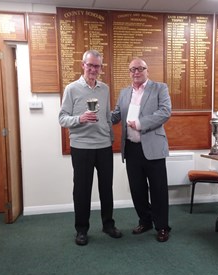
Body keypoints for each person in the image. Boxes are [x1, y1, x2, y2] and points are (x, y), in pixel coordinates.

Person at [59, 50, 122, 246]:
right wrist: (80, 118)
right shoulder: (71, 89)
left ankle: (108, 224)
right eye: (90, 65)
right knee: (82, 190)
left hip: (103, 146)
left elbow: (106, 117)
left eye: (97, 66)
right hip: (82, 147)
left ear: (101, 68)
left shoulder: (104, 89)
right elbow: (62, 118)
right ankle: (81, 230)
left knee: (106, 188)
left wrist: (111, 137)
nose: (93, 69)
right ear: (83, 65)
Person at [111, 58, 172, 242]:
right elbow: (116, 115)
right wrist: (98, 116)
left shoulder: (159, 88)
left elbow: (165, 112)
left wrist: (139, 123)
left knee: (158, 189)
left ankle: (162, 226)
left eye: (140, 69)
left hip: (153, 147)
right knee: (137, 189)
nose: (136, 72)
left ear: (147, 70)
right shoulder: (124, 93)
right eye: (132, 69)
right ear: (129, 72)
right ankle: (145, 221)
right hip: (131, 148)